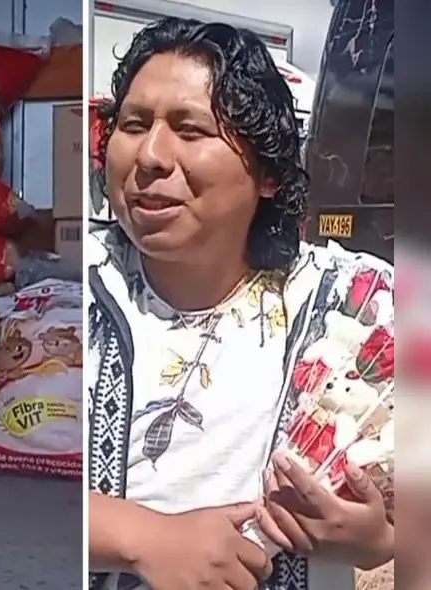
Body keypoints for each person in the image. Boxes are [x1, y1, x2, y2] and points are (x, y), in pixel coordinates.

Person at [85, 18, 394, 590]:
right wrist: (144, 538)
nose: (150, 155)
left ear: (268, 171)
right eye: (133, 124)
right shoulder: (72, 297)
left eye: (191, 129)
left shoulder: (350, 306)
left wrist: (378, 539)